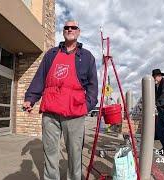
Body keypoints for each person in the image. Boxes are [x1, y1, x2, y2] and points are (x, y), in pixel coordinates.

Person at [23, 20, 98, 180]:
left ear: (78, 32)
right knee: (50, 152)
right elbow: (40, 78)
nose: (69, 29)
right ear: (63, 31)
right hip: (50, 112)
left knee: (74, 154)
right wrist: (30, 98)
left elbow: (93, 86)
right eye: (66, 27)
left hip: (75, 112)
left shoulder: (87, 57)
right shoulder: (51, 54)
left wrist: (87, 106)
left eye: (73, 27)